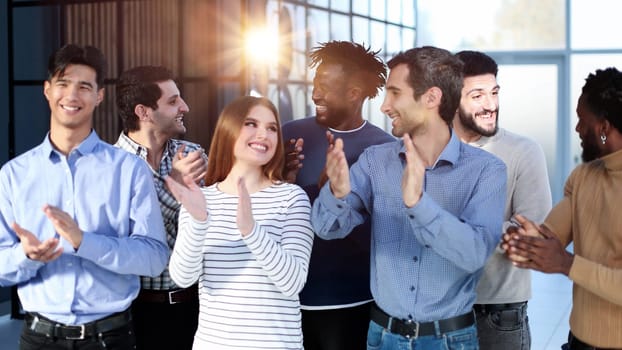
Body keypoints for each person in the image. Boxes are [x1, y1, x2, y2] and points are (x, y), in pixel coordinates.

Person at [311, 45, 507, 350]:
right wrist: (336, 193)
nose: (384, 106)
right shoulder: (375, 161)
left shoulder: (487, 171)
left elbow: (474, 254)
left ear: (431, 98)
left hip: (450, 341)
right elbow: (325, 227)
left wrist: (418, 204)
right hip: (382, 337)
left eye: (395, 93)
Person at [0, 44, 168, 350]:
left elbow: (155, 258)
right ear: (47, 90)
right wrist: (25, 256)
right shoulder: (14, 175)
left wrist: (84, 242)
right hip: (38, 338)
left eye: (84, 86)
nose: (72, 95)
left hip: (110, 338)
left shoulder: (129, 170)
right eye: (63, 84)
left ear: (99, 96)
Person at [165, 96, 314, 349]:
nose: (263, 134)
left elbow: (292, 283)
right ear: (228, 130)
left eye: (272, 128)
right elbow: (183, 277)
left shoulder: (291, 198)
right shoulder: (201, 199)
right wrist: (199, 220)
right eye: (251, 124)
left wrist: (251, 231)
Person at [281, 40, 395, 350]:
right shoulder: (287, 135)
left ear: (354, 94)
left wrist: (331, 194)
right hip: (283, 302)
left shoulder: (383, 149)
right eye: (316, 85)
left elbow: (384, 230)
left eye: (327, 87)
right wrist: (280, 180)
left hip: (350, 301)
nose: (316, 94)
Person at [503, 67, 622, 350]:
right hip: (578, 341)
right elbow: (550, 237)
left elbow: (562, 260)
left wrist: (566, 263)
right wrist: (529, 242)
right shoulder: (583, 177)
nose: (577, 129)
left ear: (604, 128)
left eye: (583, 121)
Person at [452, 50, 553, 350]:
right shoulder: (430, 152)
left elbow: (532, 232)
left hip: (498, 314)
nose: (491, 105)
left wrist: (449, 229)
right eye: (478, 95)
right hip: (439, 311)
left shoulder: (524, 151)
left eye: (494, 92)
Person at [114, 65, 207, 349]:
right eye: (173, 101)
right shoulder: (110, 166)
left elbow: (209, 224)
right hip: (136, 314)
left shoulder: (193, 155)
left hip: (198, 307)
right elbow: (128, 238)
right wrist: (176, 188)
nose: (185, 107)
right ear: (143, 112)